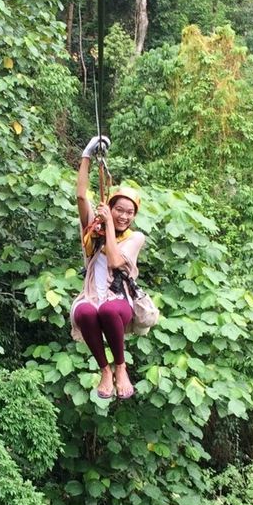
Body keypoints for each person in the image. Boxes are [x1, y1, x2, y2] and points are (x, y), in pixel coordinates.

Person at [71, 135, 145, 399]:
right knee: (86, 312)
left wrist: (110, 226)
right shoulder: (93, 229)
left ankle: (121, 366)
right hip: (92, 294)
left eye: (130, 212)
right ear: (109, 208)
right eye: (119, 210)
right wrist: (87, 155)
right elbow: (81, 196)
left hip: (118, 300)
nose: (124, 216)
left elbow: (115, 261)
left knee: (108, 308)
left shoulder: (135, 238)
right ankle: (105, 369)